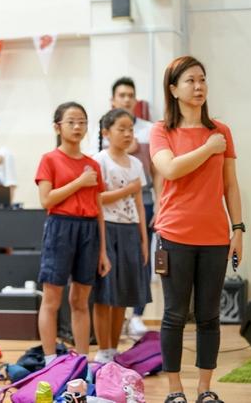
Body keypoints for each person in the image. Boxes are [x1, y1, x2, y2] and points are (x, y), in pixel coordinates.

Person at [150, 56, 243, 403]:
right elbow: (170, 170)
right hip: (174, 235)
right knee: (174, 315)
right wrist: (207, 148)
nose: (199, 86)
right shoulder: (162, 131)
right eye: (190, 81)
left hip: (216, 237)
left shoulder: (222, 131)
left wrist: (238, 229)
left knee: (209, 316)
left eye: (202, 79)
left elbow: (230, 186)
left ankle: (206, 389)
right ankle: (175, 390)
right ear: (173, 89)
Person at [35, 102, 110, 366]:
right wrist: (79, 182)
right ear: (58, 126)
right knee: (52, 298)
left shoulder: (92, 164)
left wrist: (102, 251)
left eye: (82, 122)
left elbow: (99, 209)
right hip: (60, 227)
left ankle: (82, 362)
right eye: (71, 122)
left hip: (89, 230)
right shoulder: (49, 159)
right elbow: (46, 200)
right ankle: (50, 360)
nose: (78, 127)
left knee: (80, 300)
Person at [92, 108, 151, 363]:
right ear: (107, 132)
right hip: (107, 228)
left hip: (130, 231)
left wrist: (144, 239)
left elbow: (139, 203)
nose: (128, 134)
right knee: (105, 295)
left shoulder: (137, 163)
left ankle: (113, 350)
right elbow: (98, 198)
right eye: (121, 129)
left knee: (122, 295)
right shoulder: (100, 160)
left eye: (131, 129)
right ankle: (102, 349)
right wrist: (128, 188)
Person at [109, 76, 162, 336]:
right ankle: (115, 316)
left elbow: (157, 171)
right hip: (110, 207)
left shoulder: (149, 129)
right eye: (122, 95)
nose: (127, 99)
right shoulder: (104, 130)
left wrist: (160, 204)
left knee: (143, 256)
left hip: (145, 200)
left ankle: (137, 315)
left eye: (131, 95)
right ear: (113, 100)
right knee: (115, 261)